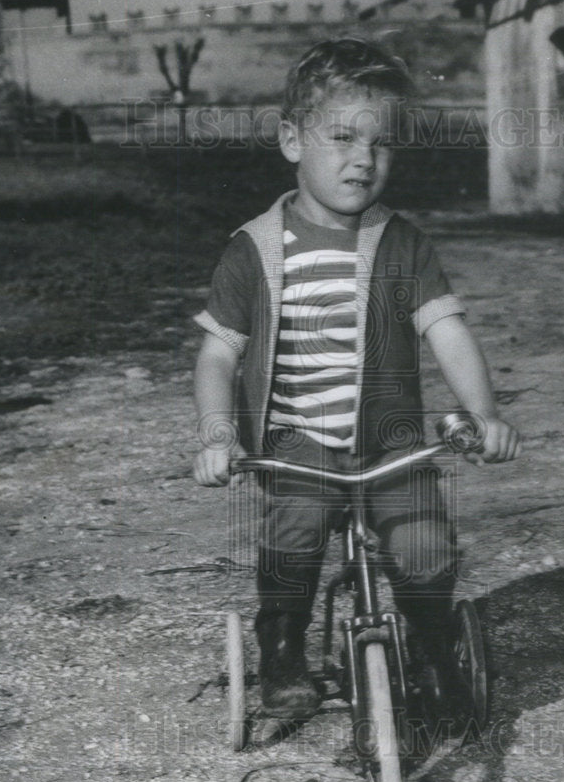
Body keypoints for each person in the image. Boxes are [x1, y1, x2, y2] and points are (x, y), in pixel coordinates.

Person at [193, 38, 521, 721]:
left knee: (425, 546)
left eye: (381, 143)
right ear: (291, 140)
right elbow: (218, 355)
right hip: (297, 443)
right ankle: (281, 646)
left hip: (391, 441)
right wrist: (218, 435)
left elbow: (446, 330)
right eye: (340, 136)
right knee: (297, 527)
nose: (362, 158)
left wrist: (483, 414)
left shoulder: (402, 243)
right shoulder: (251, 251)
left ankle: (433, 649)